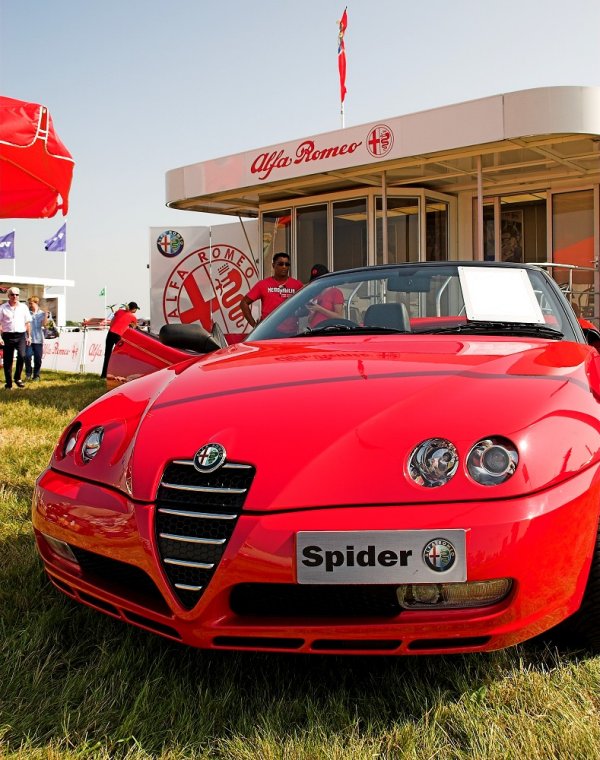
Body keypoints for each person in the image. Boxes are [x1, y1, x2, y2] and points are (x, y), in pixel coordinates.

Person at [240, 252, 303, 328]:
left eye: (287, 264)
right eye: (280, 264)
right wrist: (254, 325)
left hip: (290, 332)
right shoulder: (263, 284)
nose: (284, 267)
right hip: (268, 331)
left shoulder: (297, 285)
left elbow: (307, 306)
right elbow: (244, 303)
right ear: (273, 265)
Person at [0, 287, 32, 389]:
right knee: (8, 360)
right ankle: (8, 383)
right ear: (8, 296)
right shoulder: (2, 308)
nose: (15, 296)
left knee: (22, 356)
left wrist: (29, 336)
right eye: (12, 294)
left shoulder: (24, 307)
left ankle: (17, 378)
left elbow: (27, 323)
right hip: (7, 336)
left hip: (21, 335)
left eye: (17, 295)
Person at [100, 301, 139, 378]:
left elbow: (112, 322)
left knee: (107, 354)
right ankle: (122, 374)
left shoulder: (119, 311)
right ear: (134, 309)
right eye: (136, 309)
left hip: (110, 333)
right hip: (118, 336)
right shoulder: (133, 317)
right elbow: (134, 328)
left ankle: (104, 375)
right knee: (123, 355)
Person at [306, 264, 345, 328]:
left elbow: (339, 317)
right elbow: (309, 320)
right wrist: (312, 312)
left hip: (328, 330)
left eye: (319, 280)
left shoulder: (335, 292)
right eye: (315, 280)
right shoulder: (315, 294)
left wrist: (319, 309)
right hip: (314, 330)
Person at [25, 296, 49, 381]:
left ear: (36, 303)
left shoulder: (42, 314)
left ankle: (36, 375)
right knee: (27, 357)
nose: (30, 305)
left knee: (38, 359)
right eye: (29, 303)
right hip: (28, 339)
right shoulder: (27, 313)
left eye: (31, 303)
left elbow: (44, 325)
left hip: (38, 340)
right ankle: (28, 373)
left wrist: (46, 315)